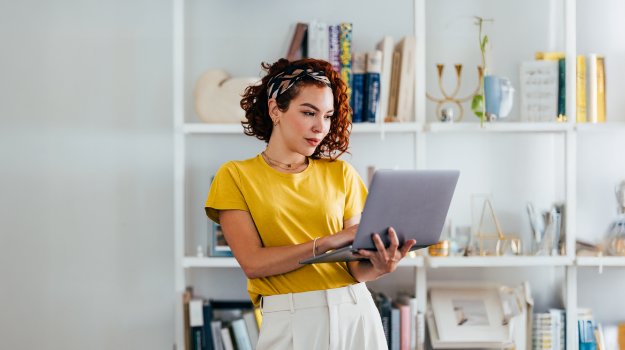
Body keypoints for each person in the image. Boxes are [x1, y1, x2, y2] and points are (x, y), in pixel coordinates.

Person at [204, 58, 416, 350]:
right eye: (308, 112)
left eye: (328, 116)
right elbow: (252, 263)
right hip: (289, 319)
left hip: (356, 312)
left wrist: (381, 266)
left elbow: (356, 269)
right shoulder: (235, 176)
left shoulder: (341, 174)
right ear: (275, 109)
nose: (320, 127)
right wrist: (327, 242)